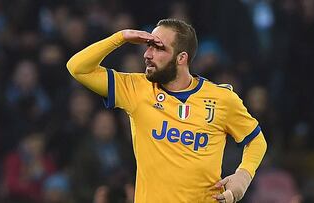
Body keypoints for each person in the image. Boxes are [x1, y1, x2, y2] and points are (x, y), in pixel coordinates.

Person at [67, 18, 267, 203]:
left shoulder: (222, 99)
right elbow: (77, 68)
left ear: (181, 58)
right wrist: (120, 37)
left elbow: (256, 140)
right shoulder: (136, 89)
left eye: (158, 48)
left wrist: (243, 175)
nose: (147, 54)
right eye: (148, 47)